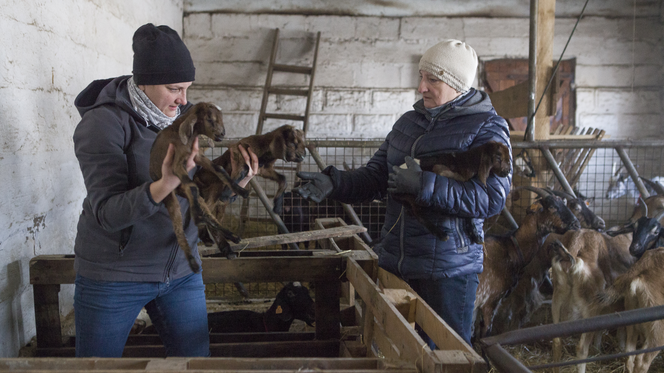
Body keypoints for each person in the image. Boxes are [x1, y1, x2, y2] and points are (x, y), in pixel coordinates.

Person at [294, 40, 511, 346]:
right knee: (394, 349)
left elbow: (491, 199)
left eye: (432, 79)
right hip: (396, 261)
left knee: (444, 353)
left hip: (447, 272)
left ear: (457, 83)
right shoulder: (409, 123)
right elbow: (376, 176)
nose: (421, 87)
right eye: (421, 77)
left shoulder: (487, 128)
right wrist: (336, 183)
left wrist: (425, 187)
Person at [72, 23, 258, 357]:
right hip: (115, 275)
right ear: (144, 81)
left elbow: (195, 191)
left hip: (180, 271)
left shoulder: (183, 118)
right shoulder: (102, 125)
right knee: (96, 367)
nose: (184, 99)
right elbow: (107, 214)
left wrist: (233, 183)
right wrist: (164, 184)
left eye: (187, 88)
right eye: (174, 88)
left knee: (194, 364)